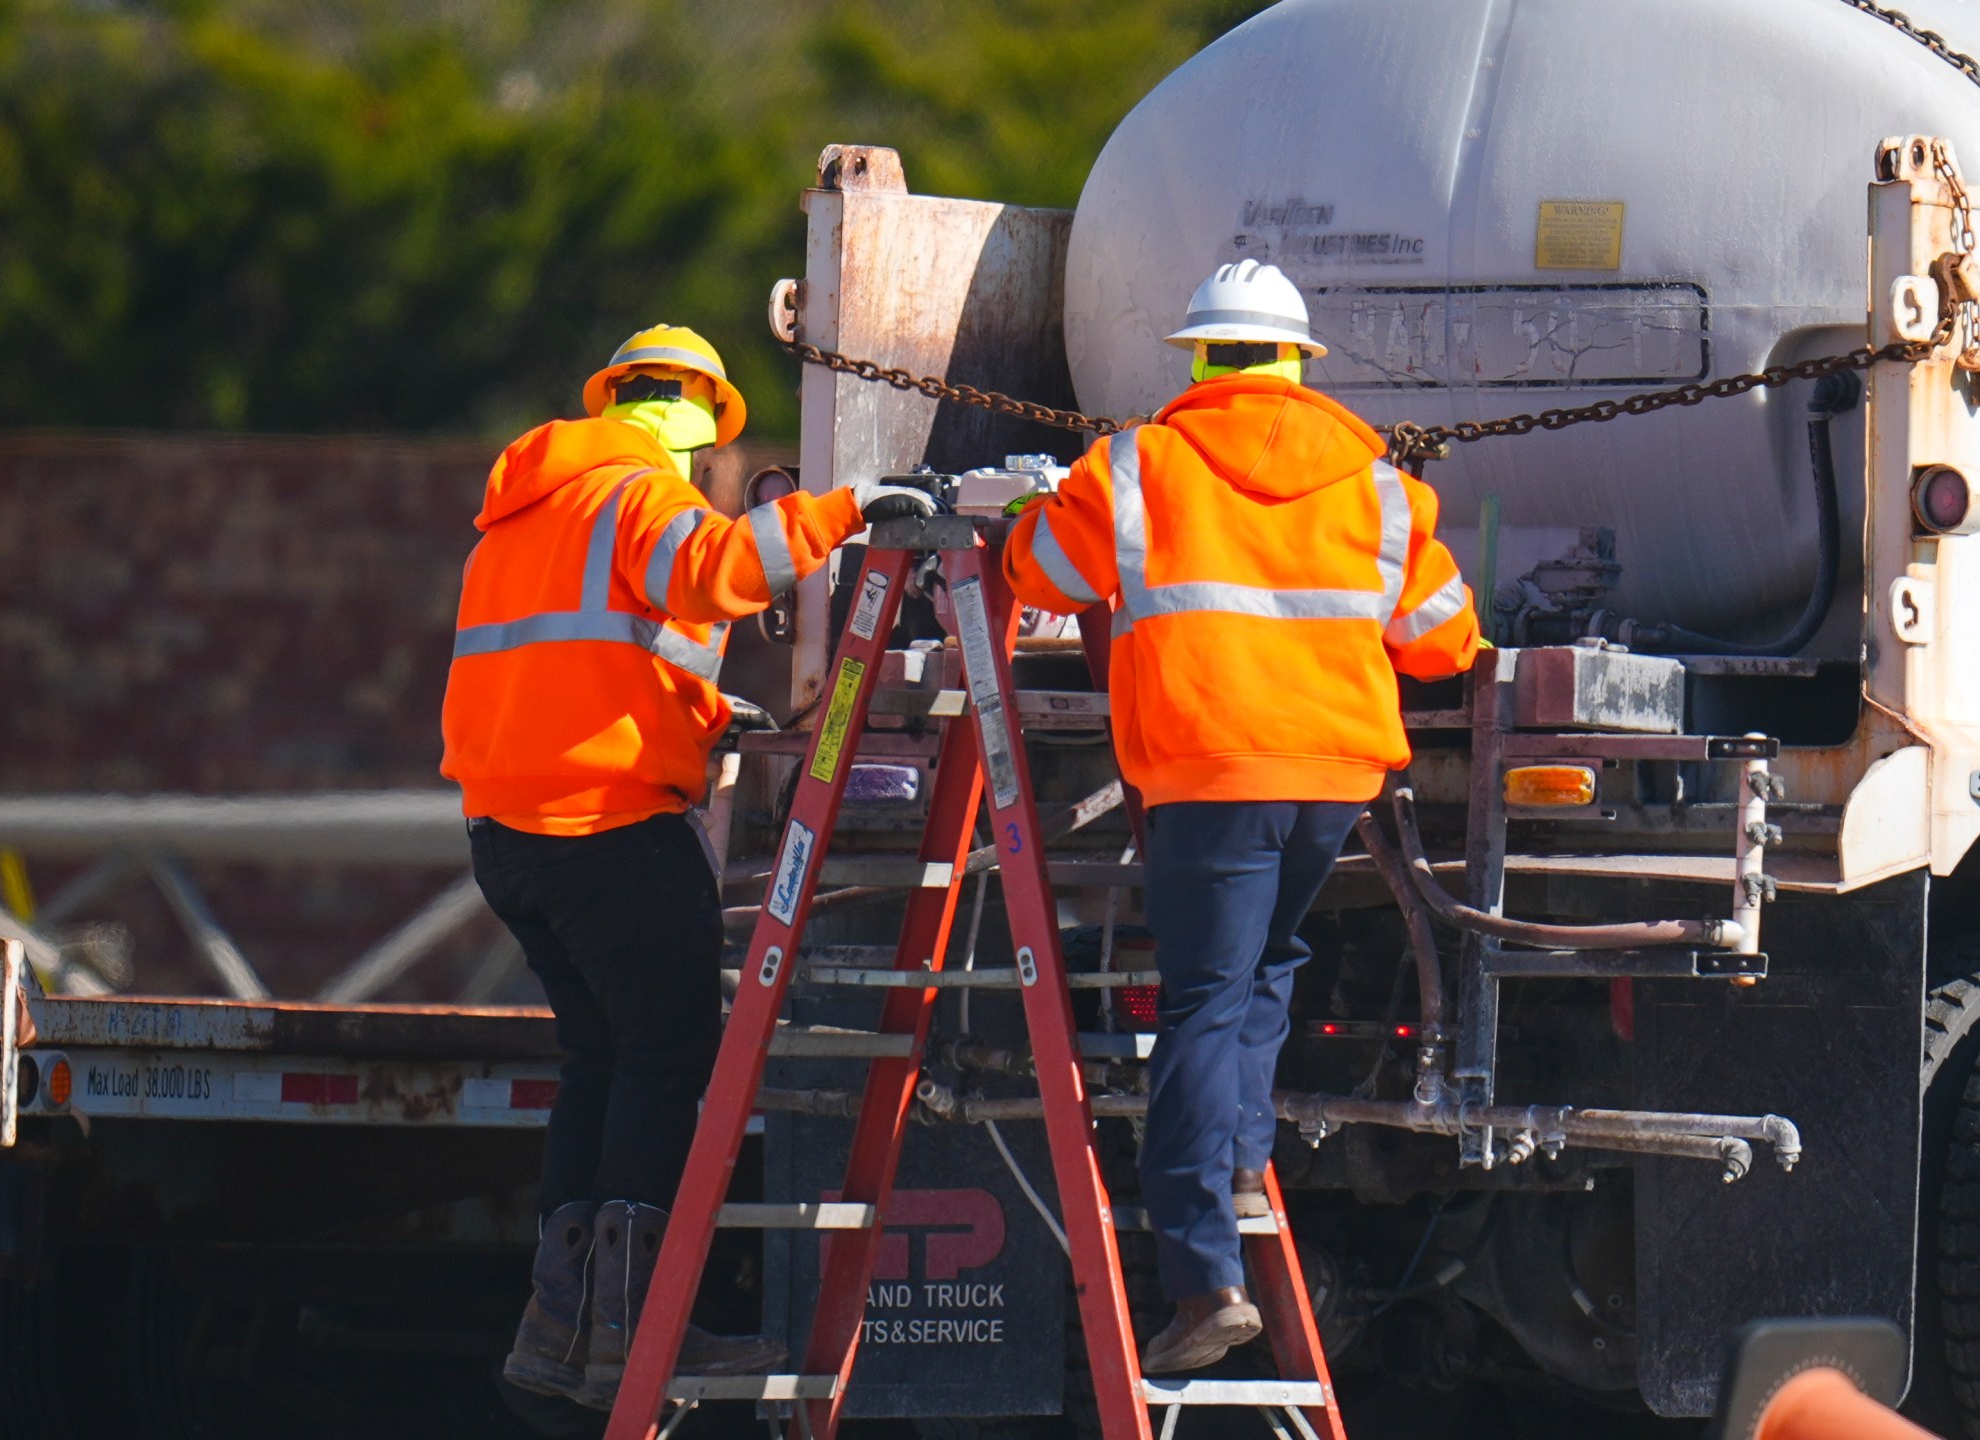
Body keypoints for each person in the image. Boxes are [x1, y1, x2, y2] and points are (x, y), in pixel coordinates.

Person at [443, 324, 937, 1408]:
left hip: (509, 836)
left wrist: (708, 713)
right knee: (668, 1063)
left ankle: (560, 1322)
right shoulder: (637, 496)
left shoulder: (522, 513)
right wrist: (852, 508)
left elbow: (593, 662)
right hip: (610, 827)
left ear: (612, 395)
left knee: (601, 1063)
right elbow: (718, 572)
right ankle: (637, 1332)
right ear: (706, 420)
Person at [1002, 263, 1482, 1372]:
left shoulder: (1139, 465)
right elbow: (1444, 638)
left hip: (1209, 770)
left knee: (1204, 1002)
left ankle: (1202, 1277)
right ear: (1298, 364)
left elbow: (1043, 571)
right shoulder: (1375, 485)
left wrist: (1030, 516)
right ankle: (1233, 1165)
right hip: (1329, 778)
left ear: (1200, 357)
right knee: (1266, 969)